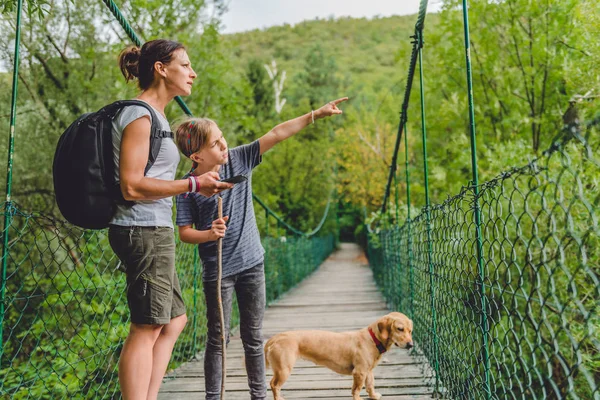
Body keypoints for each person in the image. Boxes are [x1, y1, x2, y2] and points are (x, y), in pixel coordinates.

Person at [174, 97, 348, 399]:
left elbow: (277, 134)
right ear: (196, 155)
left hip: (252, 264)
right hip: (219, 273)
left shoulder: (240, 158)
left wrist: (315, 115)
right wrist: (209, 234)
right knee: (218, 339)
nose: (223, 145)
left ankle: (259, 396)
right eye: (215, 144)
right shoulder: (187, 187)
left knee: (253, 337)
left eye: (222, 138)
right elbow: (185, 234)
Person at [108, 39, 233, 400]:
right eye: (185, 65)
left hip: (154, 228)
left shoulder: (157, 117)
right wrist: (193, 183)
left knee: (174, 319)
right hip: (141, 227)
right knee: (146, 327)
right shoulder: (140, 114)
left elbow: (155, 182)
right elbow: (131, 186)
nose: (193, 72)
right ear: (162, 69)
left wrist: (194, 186)